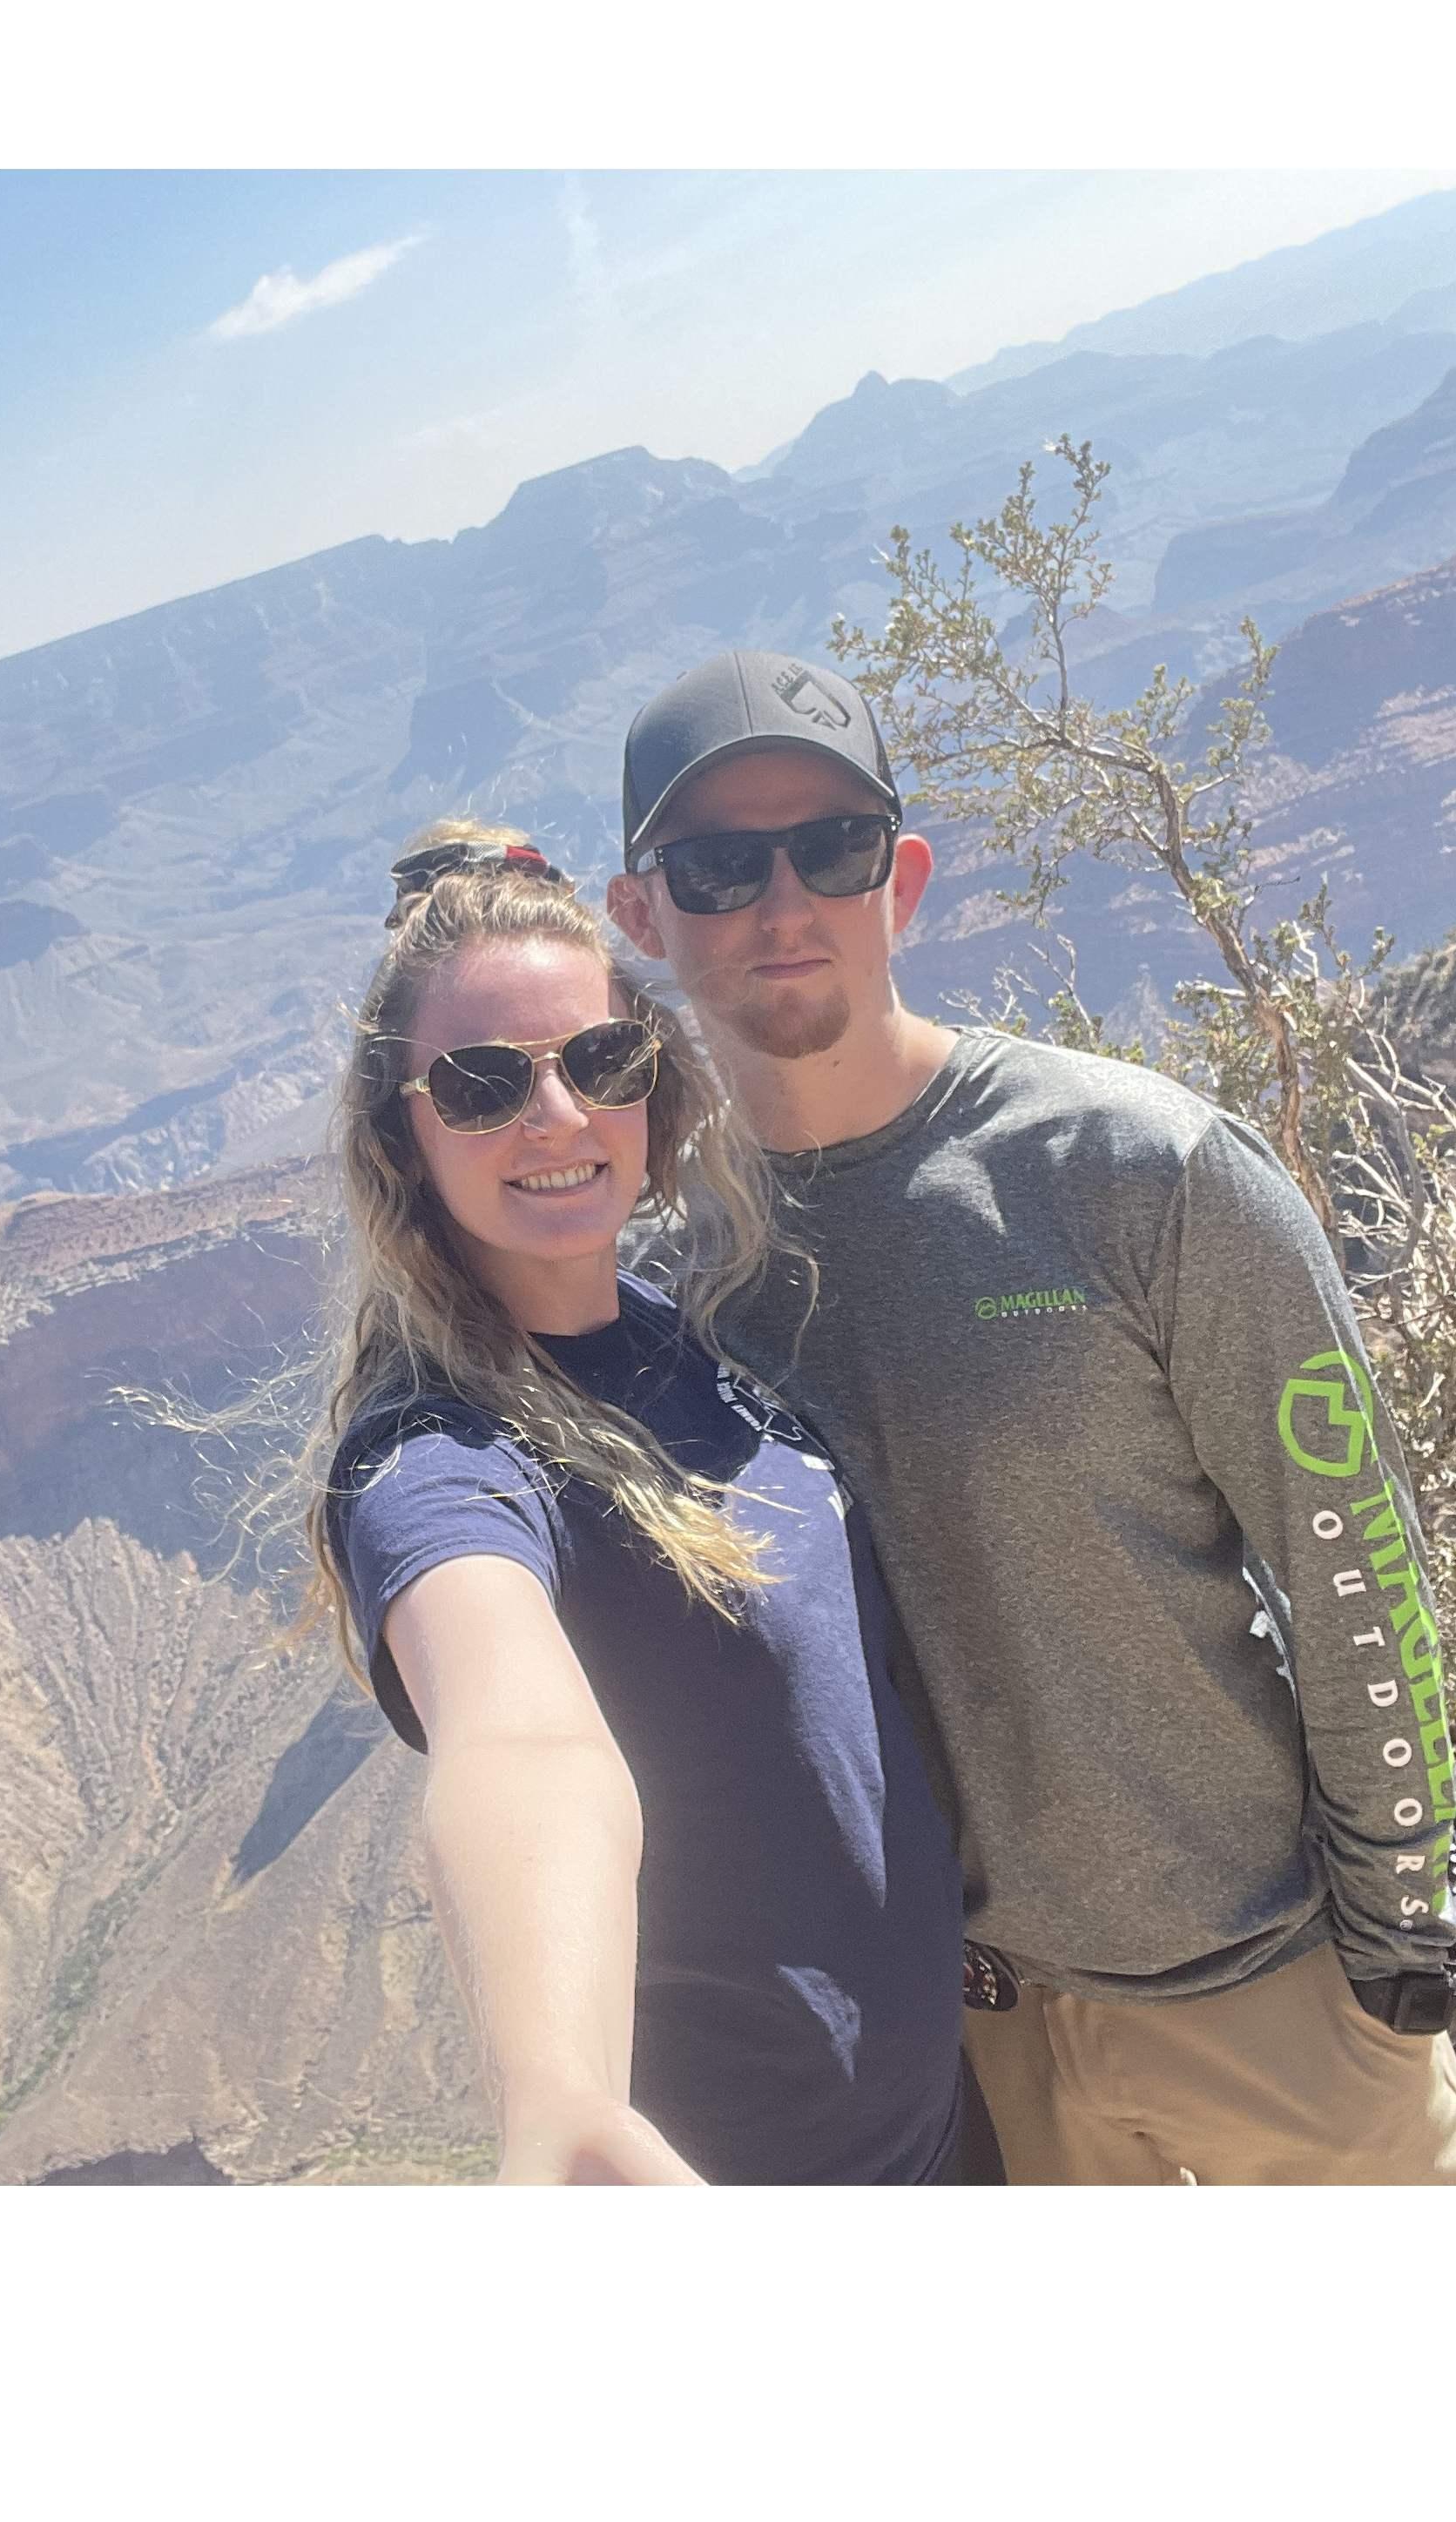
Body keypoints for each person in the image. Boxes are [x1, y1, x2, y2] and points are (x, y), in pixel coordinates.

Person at [604, 649, 1456, 2186]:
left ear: (902, 882)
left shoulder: (1142, 1171)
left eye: (832, 848)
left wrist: (1405, 1914)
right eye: (717, 866)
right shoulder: (670, 1284)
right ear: (642, 915)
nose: (782, 902)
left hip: (1280, 1999)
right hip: (976, 2055)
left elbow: (1355, 1556)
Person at [305, 820, 970, 2184]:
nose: (556, 1116)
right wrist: (560, 2098)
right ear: (402, 1136)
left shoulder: (676, 1329)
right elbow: (522, 1746)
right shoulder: (436, 1456)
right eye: (483, 1085)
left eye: (600, 1061)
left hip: (953, 2135)